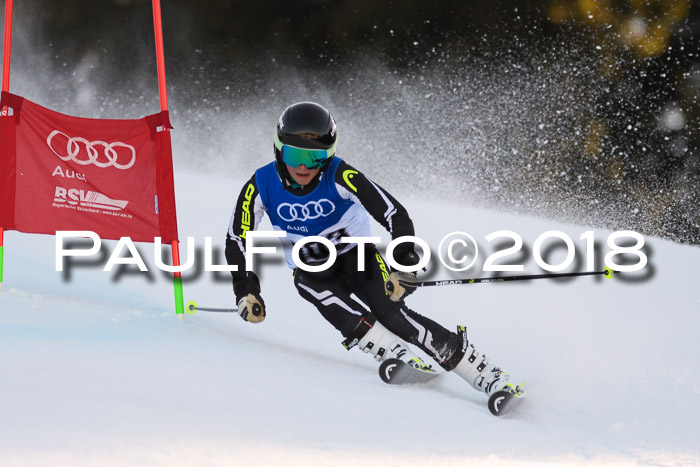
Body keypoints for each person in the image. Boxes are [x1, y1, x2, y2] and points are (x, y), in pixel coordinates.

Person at [225, 102, 522, 398]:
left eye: (315, 159)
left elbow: (395, 214)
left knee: (393, 315)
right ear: (279, 150)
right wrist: (245, 289)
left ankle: (484, 374)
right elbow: (237, 238)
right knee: (307, 283)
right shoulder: (261, 184)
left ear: (328, 157)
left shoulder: (340, 176)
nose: (303, 166)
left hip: (358, 258)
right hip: (313, 268)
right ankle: (391, 351)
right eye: (294, 155)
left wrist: (403, 264)